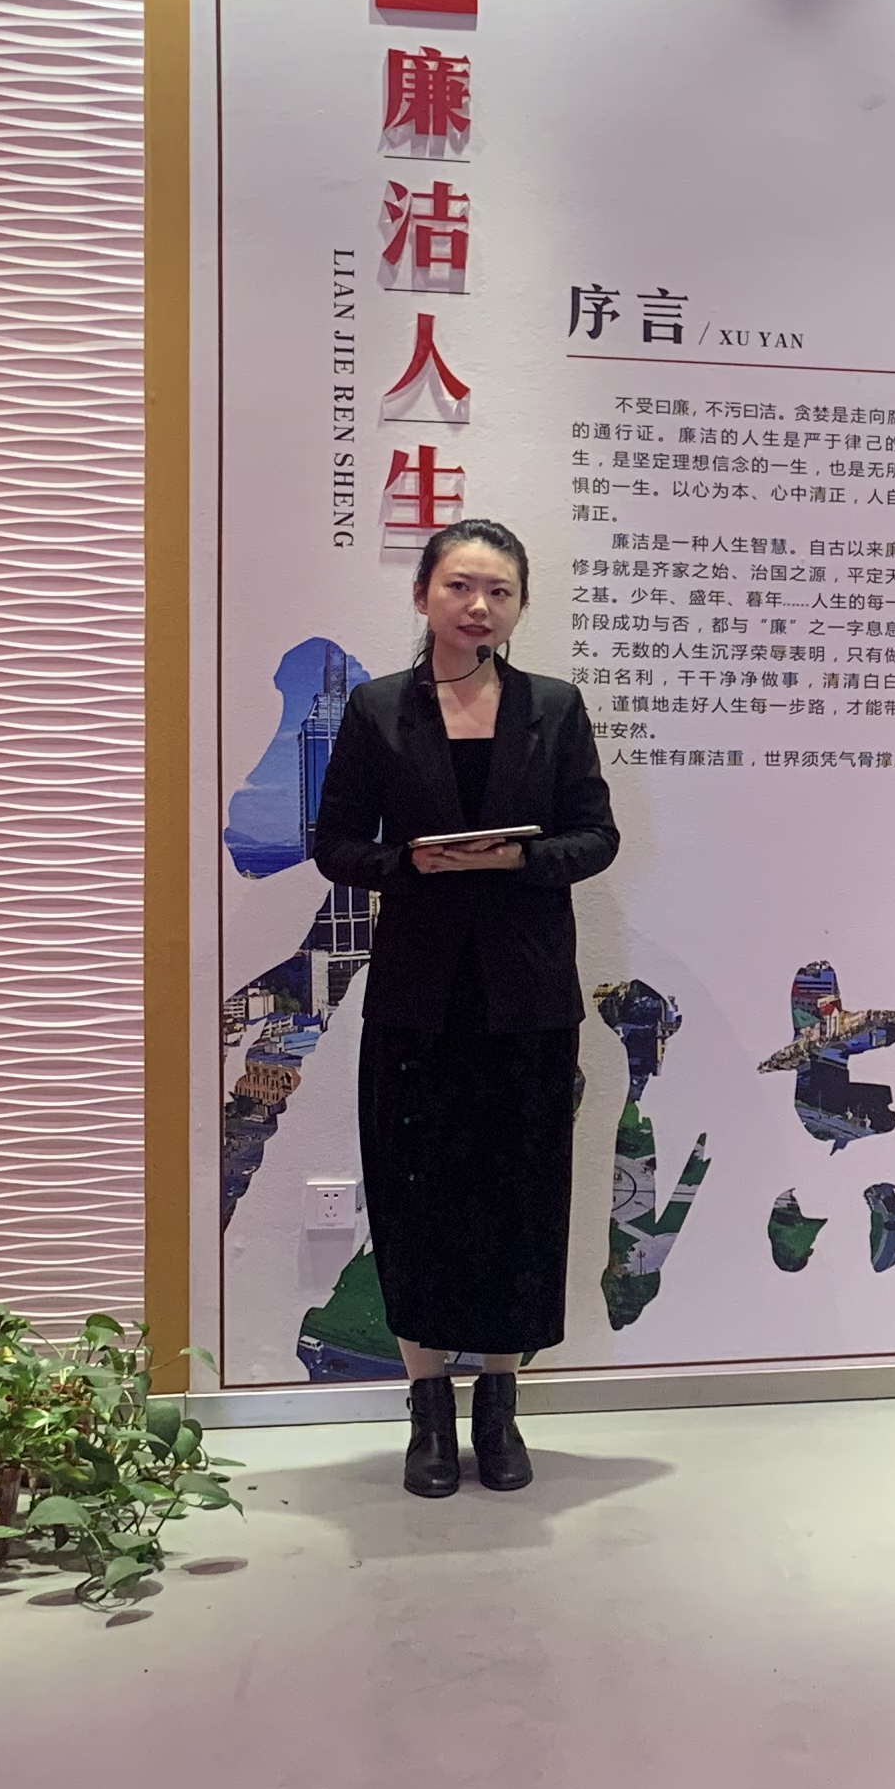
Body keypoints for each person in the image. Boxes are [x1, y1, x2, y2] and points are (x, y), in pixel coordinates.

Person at [308, 519, 621, 1499]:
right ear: (424, 596)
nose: (479, 606)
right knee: (417, 1197)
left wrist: (519, 857)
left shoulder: (553, 708)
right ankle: (428, 1408)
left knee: (519, 1197)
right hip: (418, 994)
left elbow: (596, 837)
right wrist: (415, 865)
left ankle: (499, 1403)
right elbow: (334, 844)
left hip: (528, 996)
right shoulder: (379, 709)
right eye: (459, 586)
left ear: (518, 607)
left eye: (499, 591)